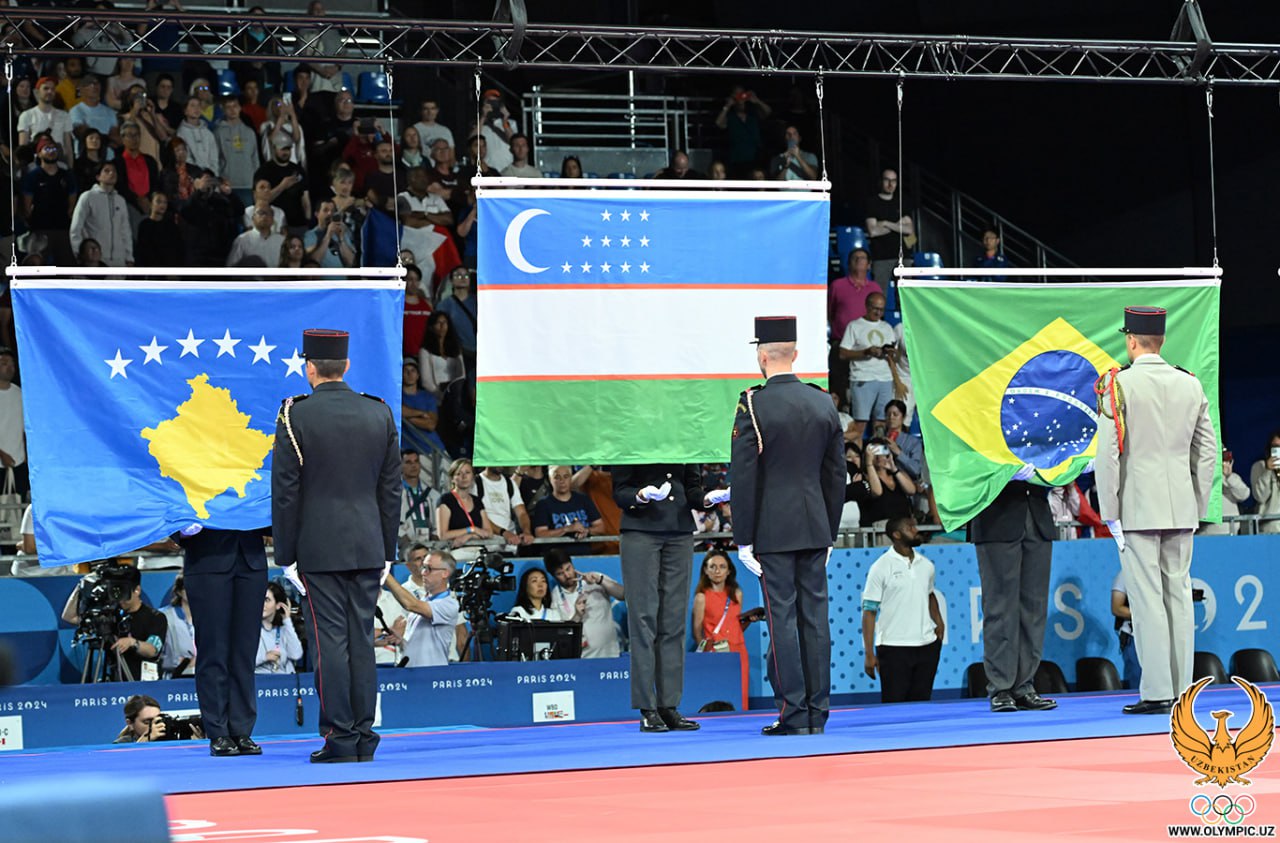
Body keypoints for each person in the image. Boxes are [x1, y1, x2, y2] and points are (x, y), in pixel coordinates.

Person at [272, 328, 400, 763]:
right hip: (369, 544)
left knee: (330, 642)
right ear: (346, 365)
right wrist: (387, 549)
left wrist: (285, 555)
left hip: (318, 546)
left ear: (309, 368)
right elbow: (391, 490)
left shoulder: (295, 414)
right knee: (361, 641)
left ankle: (339, 737)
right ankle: (364, 735)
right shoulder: (378, 412)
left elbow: (285, 491)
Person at [1095, 305, 1216, 715]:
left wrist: (1110, 511)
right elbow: (1207, 451)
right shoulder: (1189, 384)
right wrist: (1197, 503)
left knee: (1147, 599)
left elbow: (1108, 455)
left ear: (1131, 340)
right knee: (1178, 596)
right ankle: (1182, 691)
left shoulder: (1119, 385)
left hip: (1137, 508)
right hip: (1180, 507)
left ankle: (1157, 691)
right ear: (1161, 341)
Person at [729, 315, 844, 735]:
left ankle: (793, 713)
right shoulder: (822, 401)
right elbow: (836, 474)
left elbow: (744, 476)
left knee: (783, 620)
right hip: (815, 525)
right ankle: (817, 712)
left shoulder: (753, 404)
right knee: (815, 619)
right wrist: (829, 529)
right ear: (795, 355)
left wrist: (743, 538)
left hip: (772, 529)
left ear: (762, 357)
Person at [611, 463, 714, 733]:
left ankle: (669, 705)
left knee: (674, 621)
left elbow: (692, 489)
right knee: (643, 619)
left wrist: (706, 499)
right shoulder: (630, 442)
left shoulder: (685, 441)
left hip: (679, 530)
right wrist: (641, 495)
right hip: (640, 529)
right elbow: (620, 491)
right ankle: (647, 707)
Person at [968, 468, 1057, 712]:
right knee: (1000, 608)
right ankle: (1001, 687)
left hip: (1037, 516)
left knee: (1034, 609)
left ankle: (1024, 686)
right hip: (996, 516)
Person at [178, 527, 269, 756]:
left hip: (251, 560)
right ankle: (217, 731)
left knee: (245, 651)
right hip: (207, 558)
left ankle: (241, 730)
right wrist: (182, 529)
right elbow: (172, 506)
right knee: (213, 650)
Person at [861, 516, 944, 703]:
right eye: (910, 527)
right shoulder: (880, 567)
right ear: (896, 535)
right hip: (893, 648)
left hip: (927, 646)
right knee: (894, 706)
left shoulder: (927, 565)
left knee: (922, 704)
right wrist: (869, 654)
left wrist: (939, 622)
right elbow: (869, 612)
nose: (916, 530)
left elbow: (930, 594)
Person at [61, 563, 167, 683]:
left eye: (123, 591)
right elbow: (69, 617)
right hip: (114, 682)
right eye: (115, 590)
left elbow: (153, 650)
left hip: (143, 684)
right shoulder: (111, 615)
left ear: (137, 590)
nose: (119, 598)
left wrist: (132, 642)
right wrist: (81, 588)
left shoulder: (155, 617)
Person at [692, 550, 761, 711]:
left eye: (722, 567)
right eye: (713, 567)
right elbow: (697, 631)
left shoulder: (737, 594)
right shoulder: (701, 597)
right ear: (705, 570)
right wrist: (707, 654)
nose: (717, 571)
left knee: (741, 693)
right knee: (718, 692)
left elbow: (735, 627)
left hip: (738, 650)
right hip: (716, 652)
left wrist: (749, 620)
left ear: (729, 570)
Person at [383, 549, 459, 667]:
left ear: (445, 573)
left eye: (429, 568)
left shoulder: (449, 604)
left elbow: (410, 604)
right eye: (423, 567)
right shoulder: (424, 600)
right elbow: (419, 645)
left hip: (431, 674)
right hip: (412, 672)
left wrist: (384, 572)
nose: (423, 572)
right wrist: (401, 640)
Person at [838, 291, 897, 442]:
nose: (878, 313)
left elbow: (894, 357)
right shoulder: (855, 326)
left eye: (882, 309)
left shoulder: (887, 327)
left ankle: (878, 454)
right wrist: (866, 352)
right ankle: (856, 454)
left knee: (882, 423)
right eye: (875, 308)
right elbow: (843, 353)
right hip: (863, 378)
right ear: (867, 306)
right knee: (860, 424)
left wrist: (890, 353)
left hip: (885, 379)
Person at [545, 548, 624, 658]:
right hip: (582, 658)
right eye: (560, 573)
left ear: (572, 564)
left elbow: (622, 595)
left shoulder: (594, 579)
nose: (567, 575)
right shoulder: (555, 596)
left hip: (610, 653)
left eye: (568, 568)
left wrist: (601, 580)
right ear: (553, 575)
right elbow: (562, 633)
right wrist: (577, 616)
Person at [532, 465, 605, 556]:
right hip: (558, 558)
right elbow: (540, 533)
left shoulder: (583, 499)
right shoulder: (543, 504)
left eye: (566, 476)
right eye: (557, 477)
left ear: (571, 478)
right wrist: (567, 529)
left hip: (584, 556)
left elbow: (600, 527)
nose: (562, 481)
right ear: (550, 480)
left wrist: (586, 530)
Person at [864, 168, 915, 286]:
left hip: (903, 257)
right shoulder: (872, 203)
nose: (891, 184)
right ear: (881, 181)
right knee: (880, 293)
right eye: (887, 180)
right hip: (881, 257)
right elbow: (873, 231)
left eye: (894, 181)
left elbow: (909, 230)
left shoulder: (902, 202)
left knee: (904, 293)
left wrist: (886, 223)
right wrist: (898, 225)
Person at [435, 458, 497, 552]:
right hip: (456, 552)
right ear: (452, 479)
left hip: (479, 551)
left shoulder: (477, 501)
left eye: (467, 472)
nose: (464, 477)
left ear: (473, 477)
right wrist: (471, 529)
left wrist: (470, 536)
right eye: (458, 474)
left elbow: (489, 533)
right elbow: (443, 535)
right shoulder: (446, 500)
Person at [1197, 447, 1249, 536]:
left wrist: (1229, 476)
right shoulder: (1201, 478)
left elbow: (1244, 495)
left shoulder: (1232, 477)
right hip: (1208, 533)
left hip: (1232, 533)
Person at [256, 581, 304, 674]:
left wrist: (287, 620)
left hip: (284, 680)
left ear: (278, 605)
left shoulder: (284, 629)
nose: (262, 604)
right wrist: (264, 657)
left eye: (267, 600)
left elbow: (296, 655)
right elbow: (240, 662)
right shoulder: (249, 631)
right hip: (260, 679)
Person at [160, 575, 197, 679]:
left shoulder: (208, 616)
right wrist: (180, 661)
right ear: (179, 591)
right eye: (188, 587)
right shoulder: (165, 616)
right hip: (175, 677)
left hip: (201, 675)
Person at [1111, 570, 1140, 690]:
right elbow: (1116, 608)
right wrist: (1145, 616)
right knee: (1137, 680)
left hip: (1157, 637)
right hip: (1133, 637)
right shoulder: (1126, 574)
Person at [1249, 430, 1280, 535]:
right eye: (1275, 447)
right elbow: (1260, 497)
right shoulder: (1259, 466)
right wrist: (1268, 470)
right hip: (1269, 528)